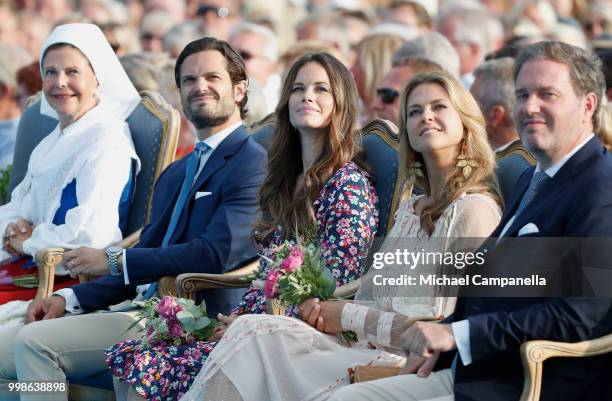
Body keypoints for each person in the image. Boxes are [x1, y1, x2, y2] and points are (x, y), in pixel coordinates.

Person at [180, 70, 502, 401]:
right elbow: (372, 293)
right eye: (414, 111)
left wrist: (345, 315)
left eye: (439, 107)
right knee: (253, 333)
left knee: (255, 337)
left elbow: (445, 321)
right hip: (362, 341)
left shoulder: (474, 209)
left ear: (465, 121)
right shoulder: (413, 208)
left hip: (411, 361)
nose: (426, 117)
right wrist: (330, 312)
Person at [332, 41, 612, 401]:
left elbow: (579, 314)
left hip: (533, 382)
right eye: (523, 94)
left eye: (548, 94)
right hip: (472, 368)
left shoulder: (600, 186)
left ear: (587, 104)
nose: (529, 107)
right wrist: (442, 339)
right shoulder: (533, 179)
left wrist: (459, 335)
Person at [0, 37, 266, 401]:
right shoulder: (178, 171)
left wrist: (113, 259)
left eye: (211, 78)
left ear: (239, 89)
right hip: (139, 309)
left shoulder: (251, 163)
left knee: (33, 344)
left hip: (196, 317)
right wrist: (72, 299)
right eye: (188, 80)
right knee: (9, 364)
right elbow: (145, 256)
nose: (198, 87)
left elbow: (214, 254)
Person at [107, 52, 379, 401]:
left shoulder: (348, 185)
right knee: (135, 355)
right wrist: (236, 319)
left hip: (309, 331)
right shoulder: (286, 180)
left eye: (321, 89)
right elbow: (267, 273)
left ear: (340, 103)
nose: (307, 96)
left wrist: (255, 325)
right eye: (298, 88)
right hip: (260, 323)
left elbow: (338, 282)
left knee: (152, 365)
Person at [0, 23, 140, 304]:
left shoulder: (107, 143)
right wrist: (12, 227)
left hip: (65, 285)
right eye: (50, 72)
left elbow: (93, 234)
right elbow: (19, 204)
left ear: (97, 78)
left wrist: (27, 241)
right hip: (28, 268)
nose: (59, 82)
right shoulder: (54, 139)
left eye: (72, 72)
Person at [470, 57, 536, 202]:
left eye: (470, 104)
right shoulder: (532, 161)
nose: (463, 111)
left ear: (494, 115)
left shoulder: (515, 169)